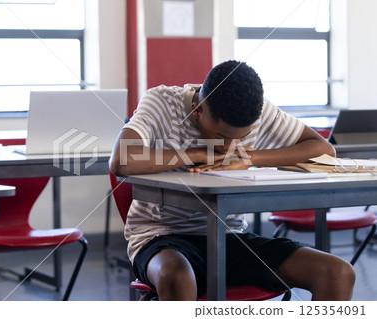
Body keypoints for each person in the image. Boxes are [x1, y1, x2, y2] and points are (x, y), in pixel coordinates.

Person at [109, 60, 355, 301]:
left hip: (228, 236)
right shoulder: (161, 102)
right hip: (161, 236)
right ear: (198, 110)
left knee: (338, 273)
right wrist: (196, 153)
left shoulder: (256, 110)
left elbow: (323, 150)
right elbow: (121, 159)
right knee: (178, 278)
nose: (230, 146)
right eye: (221, 136)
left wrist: (251, 157)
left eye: (241, 137)